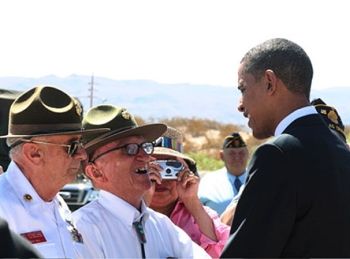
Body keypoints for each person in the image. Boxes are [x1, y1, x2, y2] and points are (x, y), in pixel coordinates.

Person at [221, 38, 350, 258]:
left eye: (243, 89)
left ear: (269, 83)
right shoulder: (341, 152)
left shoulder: (278, 155)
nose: (240, 104)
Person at [72, 104, 211, 258]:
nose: (145, 156)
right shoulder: (84, 229)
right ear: (95, 172)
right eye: (129, 149)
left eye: (144, 147)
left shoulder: (161, 225)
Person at [0, 85, 108, 258]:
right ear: (34, 153)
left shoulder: (57, 205)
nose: (82, 154)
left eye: (81, 143)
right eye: (72, 146)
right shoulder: (3, 208)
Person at [144, 126, 230, 258]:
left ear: (185, 171)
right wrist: (143, 198)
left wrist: (192, 201)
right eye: (154, 169)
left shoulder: (201, 215)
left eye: (170, 169)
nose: (160, 179)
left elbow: (221, 253)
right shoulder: (127, 212)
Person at [198, 132, 249, 215]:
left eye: (241, 153)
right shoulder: (208, 181)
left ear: (248, 154)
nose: (237, 157)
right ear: (222, 156)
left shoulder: (257, 179)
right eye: (232, 153)